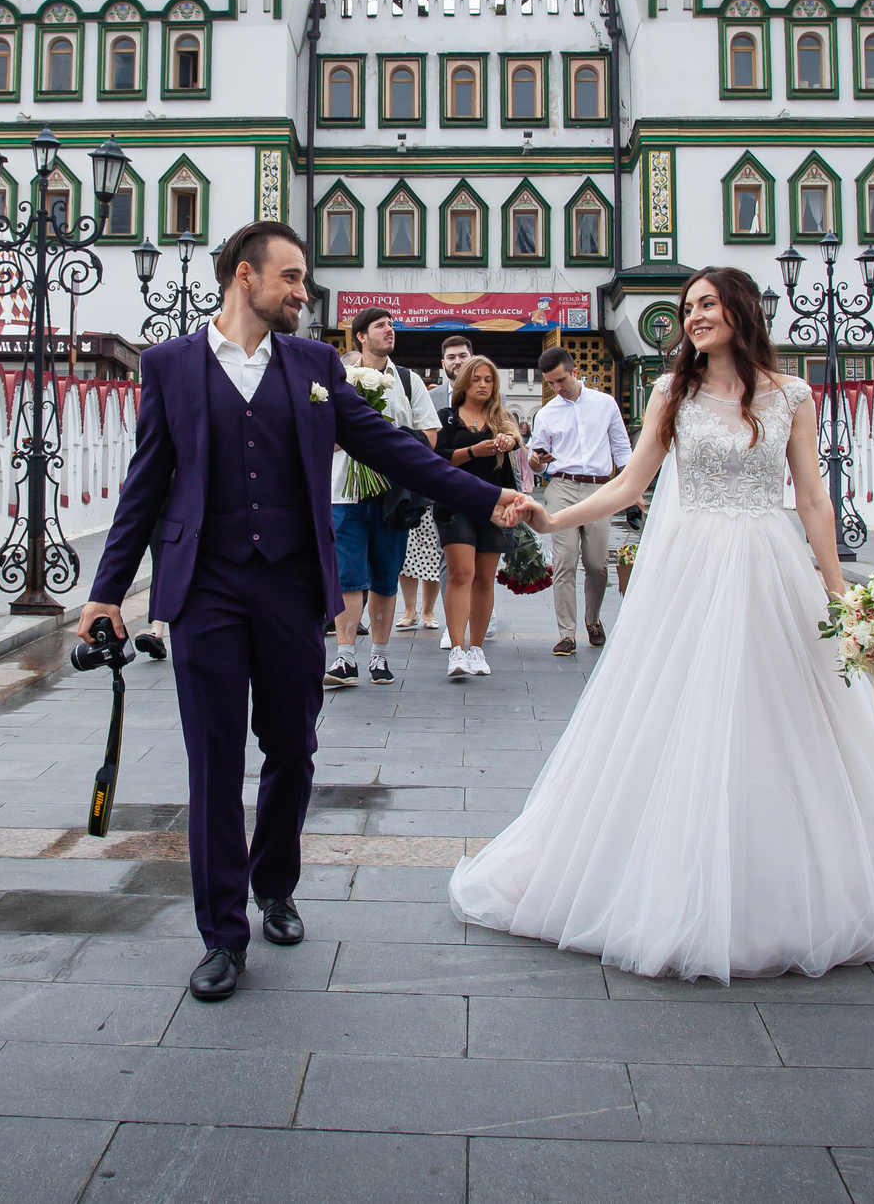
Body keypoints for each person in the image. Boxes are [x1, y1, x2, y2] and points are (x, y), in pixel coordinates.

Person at [449, 268, 874, 981]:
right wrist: (552, 518)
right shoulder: (672, 393)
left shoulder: (792, 396)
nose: (694, 316)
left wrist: (839, 595)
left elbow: (812, 499)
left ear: (741, 309)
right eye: (688, 307)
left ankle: (783, 884)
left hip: (769, 565)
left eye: (706, 303)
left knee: (782, 714)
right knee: (675, 710)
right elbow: (630, 483)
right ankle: (669, 878)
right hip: (689, 569)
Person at [80, 222, 541, 1002]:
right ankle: (222, 933)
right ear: (244, 276)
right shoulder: (170, 366)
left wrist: (487, 495)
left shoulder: (315, 366)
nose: (303, 291)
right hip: (205, 588)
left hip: (292, 584)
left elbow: (394, 447)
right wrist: (106, 589)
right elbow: (146, 482)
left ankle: (276, 885)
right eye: (290, 276)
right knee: (212, 761)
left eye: (303, 279)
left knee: (292, 747)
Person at [326, 307, 439, 689]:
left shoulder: (408, 381)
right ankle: (344, 657)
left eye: (391, 325)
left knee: (386, 575)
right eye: (380, 326)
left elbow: (430, 435)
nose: (390, 330)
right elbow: (317, 430)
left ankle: (380, 655)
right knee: (347, 576)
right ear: (361, 336)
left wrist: (389, 444)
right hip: (344, 492)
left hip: (393, 494)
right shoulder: (338, 378)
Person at [528, 346, 636, 657]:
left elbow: (622, 447)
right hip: (562, 486)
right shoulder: (546, 414)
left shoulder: (604, 404)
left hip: (600, 490)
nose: (557, 388)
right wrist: (537, 461)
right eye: (550, 383)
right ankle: (567, 633)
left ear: (574, 372)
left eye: (561, 380)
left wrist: (633, 490)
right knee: (565, 561)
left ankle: (593, 619)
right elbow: (536, 463)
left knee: (597, 564)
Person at [433, 355, 523, 680]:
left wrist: (509, 441)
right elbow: (437, 458)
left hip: (495, 505)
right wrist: (473, 451)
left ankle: (477, 648)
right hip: (455, 503)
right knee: (461, 573)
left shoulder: (501, 418)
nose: (483, 385)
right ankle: (457, 649)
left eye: (488, 380)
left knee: (485, 578)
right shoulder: (447, 417)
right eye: (476, 379)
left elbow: (515, 441)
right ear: (464, 383)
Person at [400, 335, 471, 646]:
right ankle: (416, 611)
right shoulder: (431, 396)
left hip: (471, 487)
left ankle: (444, 614)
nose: (457, 361)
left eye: (463, 355)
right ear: (443, 364)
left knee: (454, 556)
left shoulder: (490, 392)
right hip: (431, 484)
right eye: (451, 357)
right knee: (417, 552)